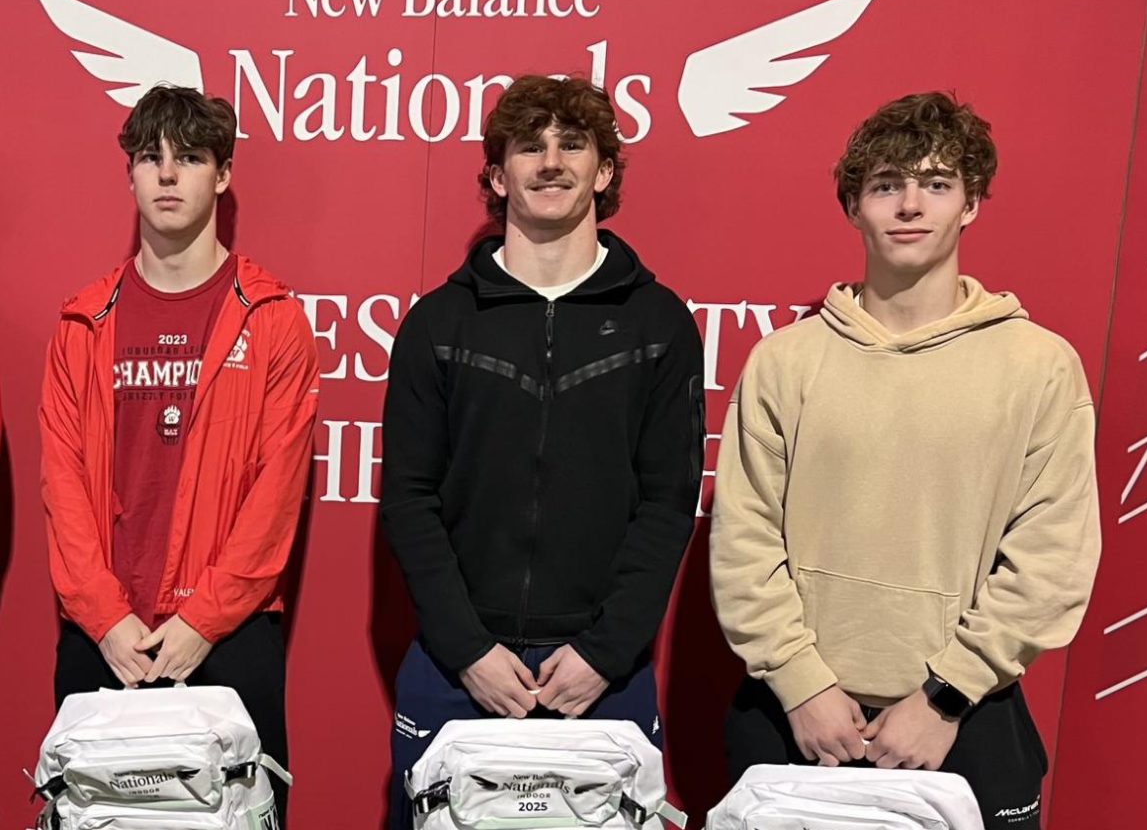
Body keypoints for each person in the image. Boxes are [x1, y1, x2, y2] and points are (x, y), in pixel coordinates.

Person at [710, 92, 1100, 828]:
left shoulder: (1038, 366)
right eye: (887, 184)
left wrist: (946, 697)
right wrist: (800, 685)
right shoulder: (785, 362)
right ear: (854, 206)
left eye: (937, 184)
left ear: (971, 204)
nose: (910, 205)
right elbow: (745, 539)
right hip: (798, 720)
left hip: (962, 719)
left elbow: (1052, 557)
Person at [381, 75, 705, 828]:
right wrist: (468, 651)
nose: (551, 162)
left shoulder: (659, 324)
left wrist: (604, 652)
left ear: (607, 171)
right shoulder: (438, 323)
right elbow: (408, 500)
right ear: (498, 176)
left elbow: (666, 505)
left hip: (602, 676)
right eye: (530, 146)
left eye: (572, 144)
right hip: (457, 671)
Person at [40, 85, 319, 825]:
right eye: (150, 158)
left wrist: (203, 619)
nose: (167, 175)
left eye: (189, 158)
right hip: (106, 641)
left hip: (227, 637)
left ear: (222, 176)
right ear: (129, 174)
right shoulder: (82, 322)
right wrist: (105, 618)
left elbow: (277, 491)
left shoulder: (276, 322)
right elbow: (61, 483)